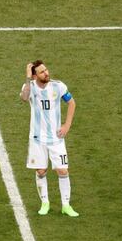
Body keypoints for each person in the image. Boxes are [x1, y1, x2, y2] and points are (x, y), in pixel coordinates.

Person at [20, 60, 79, 217]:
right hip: (37, 138)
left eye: (46, 70)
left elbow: (72, 103)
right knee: (41, 171)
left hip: (56, 138)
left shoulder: (58, 86)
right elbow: (24, 98)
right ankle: (45, 203)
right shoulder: (30, 87)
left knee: (62, 170)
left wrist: (67, 125)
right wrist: (27, 78)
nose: (46, 73)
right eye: (41, 72)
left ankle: (66, 205)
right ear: (34, 76)